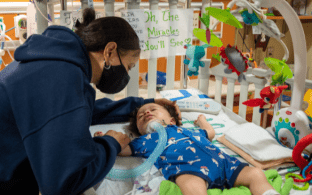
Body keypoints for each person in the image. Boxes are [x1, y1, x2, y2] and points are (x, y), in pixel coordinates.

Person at [0, 8, 181, 195]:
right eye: (128, 66)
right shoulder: (63, 78)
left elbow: (86, 109)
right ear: (110, 51)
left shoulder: (57, 60)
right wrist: (110, 143)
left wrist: (144, 104)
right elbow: (66, 182)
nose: (126, 74)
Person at [94, 102, 281, 195]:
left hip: (225, 163)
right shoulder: (147, 140)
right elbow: (122, 150)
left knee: (256, 173)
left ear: (172, 120)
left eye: (152, 109)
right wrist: (109, 140)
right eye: (141, 116)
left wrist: (203, 122)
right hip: (188, 169)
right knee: (192, 189)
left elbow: (210, 134)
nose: (146, 113)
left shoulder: (189, 130)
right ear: (140, 131)